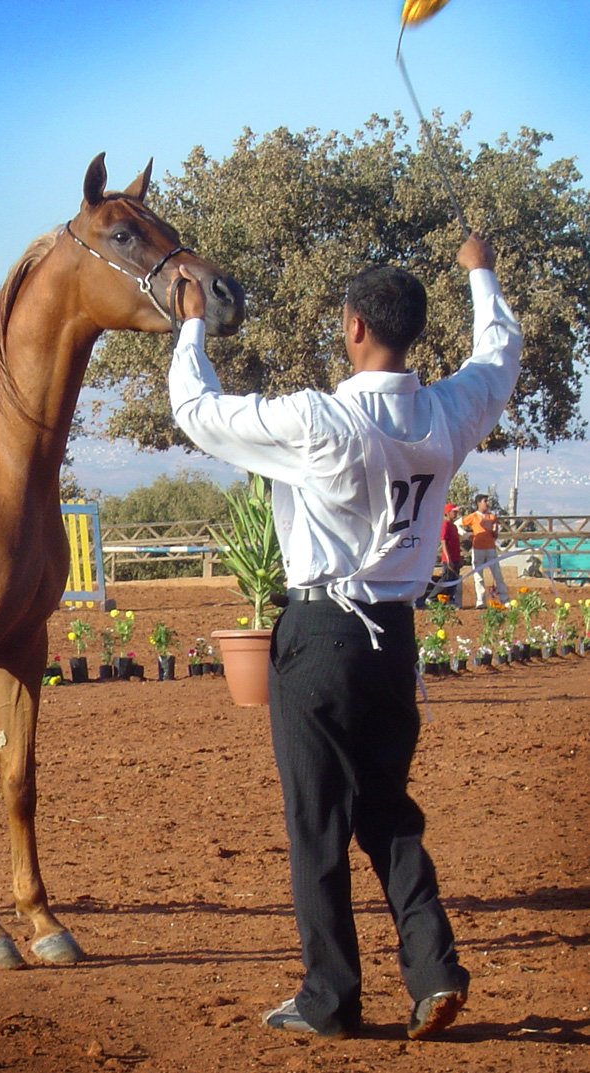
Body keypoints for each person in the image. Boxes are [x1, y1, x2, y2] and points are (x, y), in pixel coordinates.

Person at [167, 232, 522, 1039]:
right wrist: (481, 276)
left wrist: (193, 325)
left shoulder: (318, 419)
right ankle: (433, 968)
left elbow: (197, 412)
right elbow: (499, 356)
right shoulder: (449, 412)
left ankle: (331, 997)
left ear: (356, 326)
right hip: (393, 638)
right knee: (387, 808)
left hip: (322, 635)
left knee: (317, 822)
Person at [460, 493, 509, 607]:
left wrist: (495, 532)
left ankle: (504, 599)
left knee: (497, 574)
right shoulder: (473, 516)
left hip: (490, 548)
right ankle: (481, 601)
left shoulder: (492, 517)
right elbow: (458, 524)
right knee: (478, 576)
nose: (487, 503)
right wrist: (467, 535)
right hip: (478, 549)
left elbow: (495, 535)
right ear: (478, 503)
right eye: (485, 501)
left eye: (487, 501)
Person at [438, 503, 465, 608]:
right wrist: (448, 558)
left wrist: (460, 557)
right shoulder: (445, 525)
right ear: (447, 513)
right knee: (446, 578)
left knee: (454, 579)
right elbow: (443, 541)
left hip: (455, 557)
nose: (456, 513)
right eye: (454, 511)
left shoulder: (454, 526)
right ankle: (431, 597)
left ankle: (449, 599)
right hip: (448, 558)